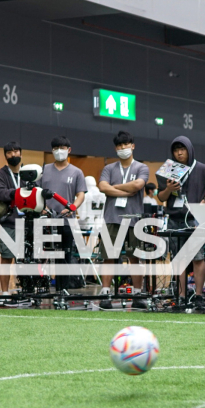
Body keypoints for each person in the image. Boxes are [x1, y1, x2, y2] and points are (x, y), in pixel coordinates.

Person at [157, 136, 205, 310]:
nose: (179, 153)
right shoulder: (170, 168)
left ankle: (199, 295)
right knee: (179, 259)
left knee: (198, 258)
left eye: (183, 149)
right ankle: (181, 295)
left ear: (189, 149)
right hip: (174, 219)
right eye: (176, 150)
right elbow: (160, 197)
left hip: (195, 219)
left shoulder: (202, 168)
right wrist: (169, 190)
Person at [98, 130, 149, 309]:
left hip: (133, 219)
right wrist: (126, 191)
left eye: (125, 144)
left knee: (134, 257)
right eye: (119, 145)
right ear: (115, 148)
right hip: (112, 218)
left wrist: (114, 187)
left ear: (132, 146)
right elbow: (103, 187)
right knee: (108, 257)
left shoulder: (141, 167)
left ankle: (137, 294)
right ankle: (105, 293)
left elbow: (138, 184)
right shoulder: (109, 168)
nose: (122, 148)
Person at [40, 136, 87, 292]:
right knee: (42, 255)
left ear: (69, 150)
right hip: (46, 220)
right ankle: (43, 288)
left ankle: (62, 289)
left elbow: (81, 194)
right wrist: (41, 208)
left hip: (67, 220)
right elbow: (37, 193)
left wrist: (73, 207)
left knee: (64, 256)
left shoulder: (77, 172)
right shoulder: (44, 170)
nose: (59, 151)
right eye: (55, 148)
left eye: (62, 148)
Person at [0, 141, 23, 307]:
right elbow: (0, 193)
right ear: (5, 155)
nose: (13, 155)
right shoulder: (0, 174)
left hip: (27, 222)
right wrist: (19, 193)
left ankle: (25, 290)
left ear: (21, 153)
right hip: (8, 222)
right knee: (6, 258)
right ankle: (4, 292)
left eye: (16, 151)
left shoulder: (28, 172)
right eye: (9, 152)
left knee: (27, 259)